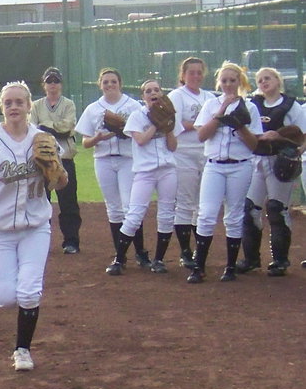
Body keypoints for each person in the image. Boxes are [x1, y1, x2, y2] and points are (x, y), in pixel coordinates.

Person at [0, 81, 67, 372]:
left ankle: (22, 350)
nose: (14, 107)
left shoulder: (42, 139)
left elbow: (62, 182)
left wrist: (56, 171)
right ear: (2, 107)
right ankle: (17, 293)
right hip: (0, 232)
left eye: (19, 102)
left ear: (29, 105)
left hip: (36, 227)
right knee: (4, 297)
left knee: (29, 292)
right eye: (8, 102)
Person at [189, 61, 262, 282]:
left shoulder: (249, 107)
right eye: (224, 80)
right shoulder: (211, 104)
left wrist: (239, 125)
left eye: (233, 80)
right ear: (218, 83)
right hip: (214, 165)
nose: (228, 84)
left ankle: (230, 267)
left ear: (240, 82)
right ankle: (199, 266)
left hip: (240, 165)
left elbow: (254, 145)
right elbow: (202, 136)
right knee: (207, 214)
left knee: (234, 216)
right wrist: (221, 113)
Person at [75, 67, 151, 267]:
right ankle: (121, 255)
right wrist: (98, 137)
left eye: (113, 81)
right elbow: (85, 142)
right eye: (106, 82)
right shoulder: (93, 108)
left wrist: (124, 130)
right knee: (114, 209)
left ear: (120, 83)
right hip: (103, 159)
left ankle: (140, 253)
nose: (109, 85)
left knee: (130, 207)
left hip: (127, 159)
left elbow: (142, 134)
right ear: (100, 85)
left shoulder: (133, 105)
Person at [104, 80, 181, 275]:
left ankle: (159, 260)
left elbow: (172, 147)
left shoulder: (169, 115)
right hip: (144, 172)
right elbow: (140, 140)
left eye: (156, 89)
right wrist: (156, 125)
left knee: (165, 214)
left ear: (161, 93)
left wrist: (168, 126)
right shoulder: (137, 116)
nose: (153, 93)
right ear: (143, 97)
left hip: (167, 170)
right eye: (148, 91)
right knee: (134, 214)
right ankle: (119, 259)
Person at [237, 66, 306, 276]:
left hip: (279, 161)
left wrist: (293, 152)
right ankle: (251, 259)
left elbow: (303, 135)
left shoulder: (290, 105)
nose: (264, 83)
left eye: (268, 78)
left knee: (276, 208)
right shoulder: (253, 104)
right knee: (250, 209)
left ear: (278, 80)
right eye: (260, 80)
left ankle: (280, 260)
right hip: (257, 160)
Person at [30, 66, 82, 253]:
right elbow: (33, 130)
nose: (53, 84)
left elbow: (67, 128)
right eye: (49, 81)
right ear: (44, 85)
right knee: (41, 201)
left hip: (64, 158)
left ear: (61, 84)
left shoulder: (68, 104)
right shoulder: (36, 105)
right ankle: (40, 240)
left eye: (56, 81)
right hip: (42, 160)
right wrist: (51, 129)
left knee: (68, 201)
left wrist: (46, 127)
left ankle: (71, 241)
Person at [167, 56, 210, 268]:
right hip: (184, 152)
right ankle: (185, 251)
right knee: (185, 202)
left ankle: (198, 252)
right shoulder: (176, 96)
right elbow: (176, 124)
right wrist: (199, 124)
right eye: (191, 72)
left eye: (199, 72)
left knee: (202, 204)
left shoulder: (209, 96)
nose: (195, 76)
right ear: (183, 75)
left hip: (206, 152)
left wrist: (197, 124)